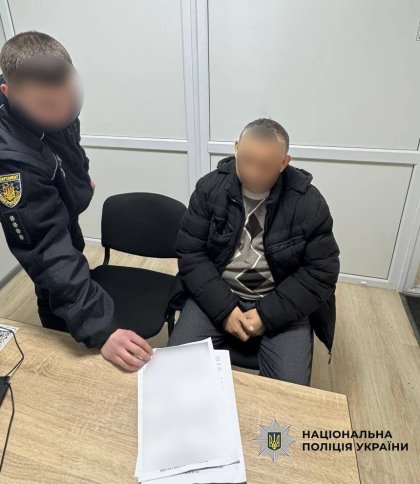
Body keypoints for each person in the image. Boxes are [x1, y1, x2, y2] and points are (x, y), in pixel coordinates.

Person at [0, 31, 152, 371]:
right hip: (42, 230)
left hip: (61, 210)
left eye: (68, 101)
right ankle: (59, 332)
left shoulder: (58, 107)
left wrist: (79, 179)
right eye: (48, 106)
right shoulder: (12, 163)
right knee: (54, 279)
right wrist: (102, 327)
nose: (62, 114)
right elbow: (46, 249)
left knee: (73, 253)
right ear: (9, 94)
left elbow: (67, 147)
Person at [167, 118, 340, 385]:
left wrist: (266, 315)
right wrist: (225, 310)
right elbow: (191, 254)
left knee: (289, 394)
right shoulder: (209, 189)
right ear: (236, 148)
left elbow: (321, 272)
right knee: (174, 372)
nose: (253, 173)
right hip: (216, 292)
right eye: (247, 160)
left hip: (280, 299)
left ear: (284, 162)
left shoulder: (308, 203)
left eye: (265, 166)